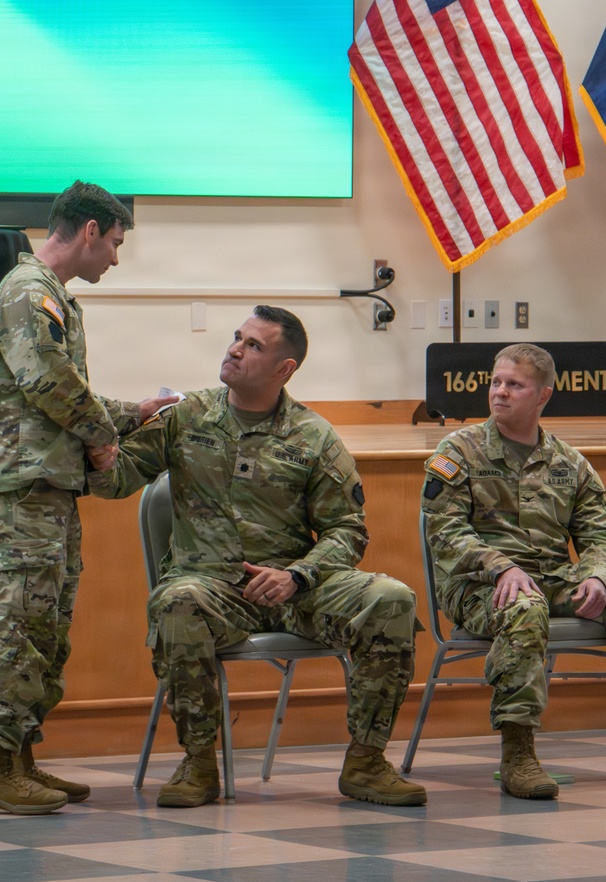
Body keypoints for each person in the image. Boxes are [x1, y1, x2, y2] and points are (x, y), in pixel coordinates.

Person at [88, 305, 427, 808]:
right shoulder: (187, 416)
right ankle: (199, 765)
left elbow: (347, 530)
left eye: (253, 345)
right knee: (176, 601)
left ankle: (366, 763)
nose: (234, 350)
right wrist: (98, 450)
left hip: (293, 587)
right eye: (236, 338)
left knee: (391, 598)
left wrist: (298, 574)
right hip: (210, 586)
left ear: (283, 369)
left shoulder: (314, 436)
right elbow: (116, 481)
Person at [421, 343, 606, 799]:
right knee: (524, 606)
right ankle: (518, 755)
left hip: (552, 579)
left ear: (543, 396)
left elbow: (600, 538)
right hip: (477, 585)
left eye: (514, 385)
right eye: (495, 382)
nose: (499, 393)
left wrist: (599, 577)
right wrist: (501, 567)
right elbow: (443, 531)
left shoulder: (570, 463)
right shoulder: (459, 450)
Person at [0, 181, 176, 815]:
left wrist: (133, 412)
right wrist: (106, 436)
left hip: (46, 486)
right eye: (113, 243)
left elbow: (59, 391)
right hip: (21, 487)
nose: (113, 258)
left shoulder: (47, 296)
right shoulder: (30, 293)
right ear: (88, 231)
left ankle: (18, 757)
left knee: (44, 628)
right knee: (16, 626)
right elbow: (49, 383)